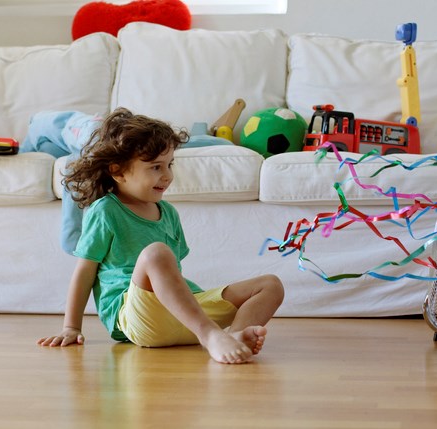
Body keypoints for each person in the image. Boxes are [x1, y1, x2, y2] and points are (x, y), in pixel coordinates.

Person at [37, 108, 284, 364]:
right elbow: (84, 272)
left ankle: (234, 336)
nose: (167, 176)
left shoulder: (168, 213)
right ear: (118, 171)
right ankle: (210, 335)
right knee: (156, 253)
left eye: (169, 165)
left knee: (270, 284)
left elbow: (173, 276)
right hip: (136, 316)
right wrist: (72, 328)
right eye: (155, 167)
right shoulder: (106, 210)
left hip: (181, 316)